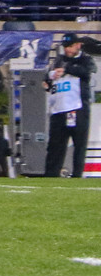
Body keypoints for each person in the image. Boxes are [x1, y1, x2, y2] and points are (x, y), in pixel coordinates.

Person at [44, 33, 95, 178]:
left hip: (77, 107)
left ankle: (77, 175)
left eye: (71, 46)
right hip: (58, 109)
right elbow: (47, 78)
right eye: (66, 47)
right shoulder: (58, 60)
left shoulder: (85, 59)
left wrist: (67, 69)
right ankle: (51, 175)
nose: (68, 50)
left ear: (78, 45)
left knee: (79, 144)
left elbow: (86, 72)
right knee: (55, 145)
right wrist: (49, 79)